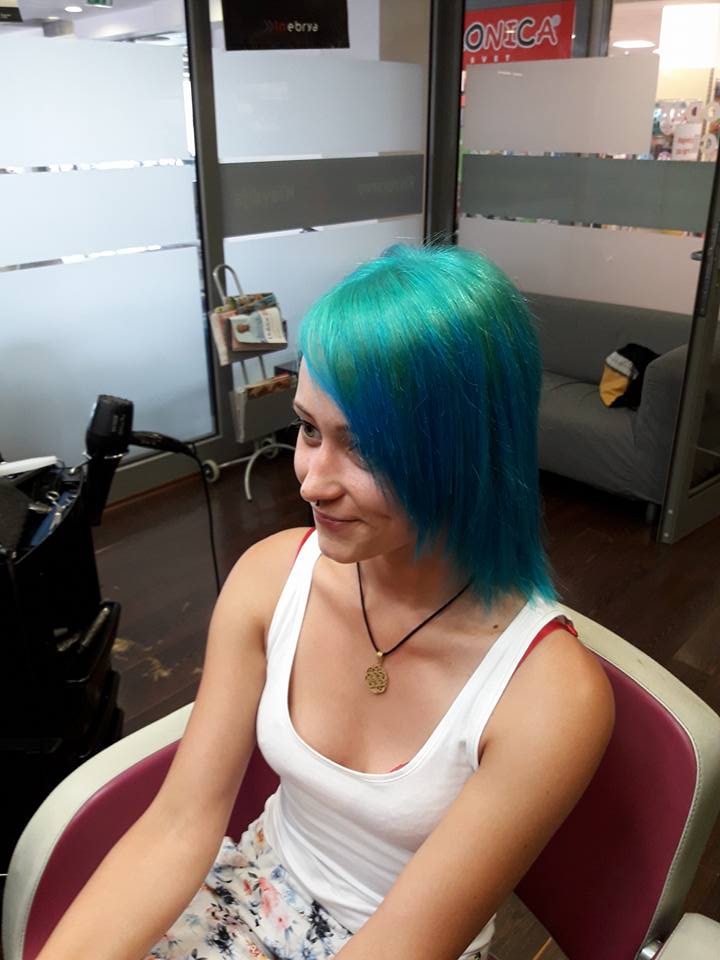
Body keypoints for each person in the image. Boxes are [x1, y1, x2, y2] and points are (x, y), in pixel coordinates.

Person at [38, 245, 614, 960]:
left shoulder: (549, 696)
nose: (311, 481)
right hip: (250, 889)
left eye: (364, 449)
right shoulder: (272, 578)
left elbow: (406, 943)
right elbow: (179, 824)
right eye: (309, 430)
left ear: (467, 455)